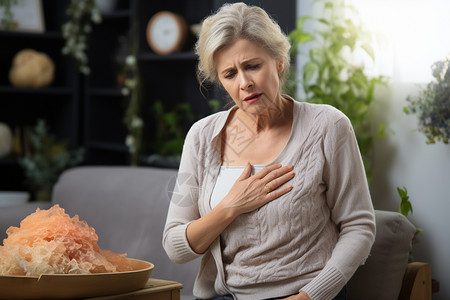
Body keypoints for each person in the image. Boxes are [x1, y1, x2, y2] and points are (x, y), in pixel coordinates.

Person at [163, 3, 376, 300]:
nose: (244, 82)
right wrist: (230, 206)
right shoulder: (202, 137)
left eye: (252, 66)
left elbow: (359, 226)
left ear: (278, 61)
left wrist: (309, 296)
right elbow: (175, 245)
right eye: (229, 74)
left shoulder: (328, 127)